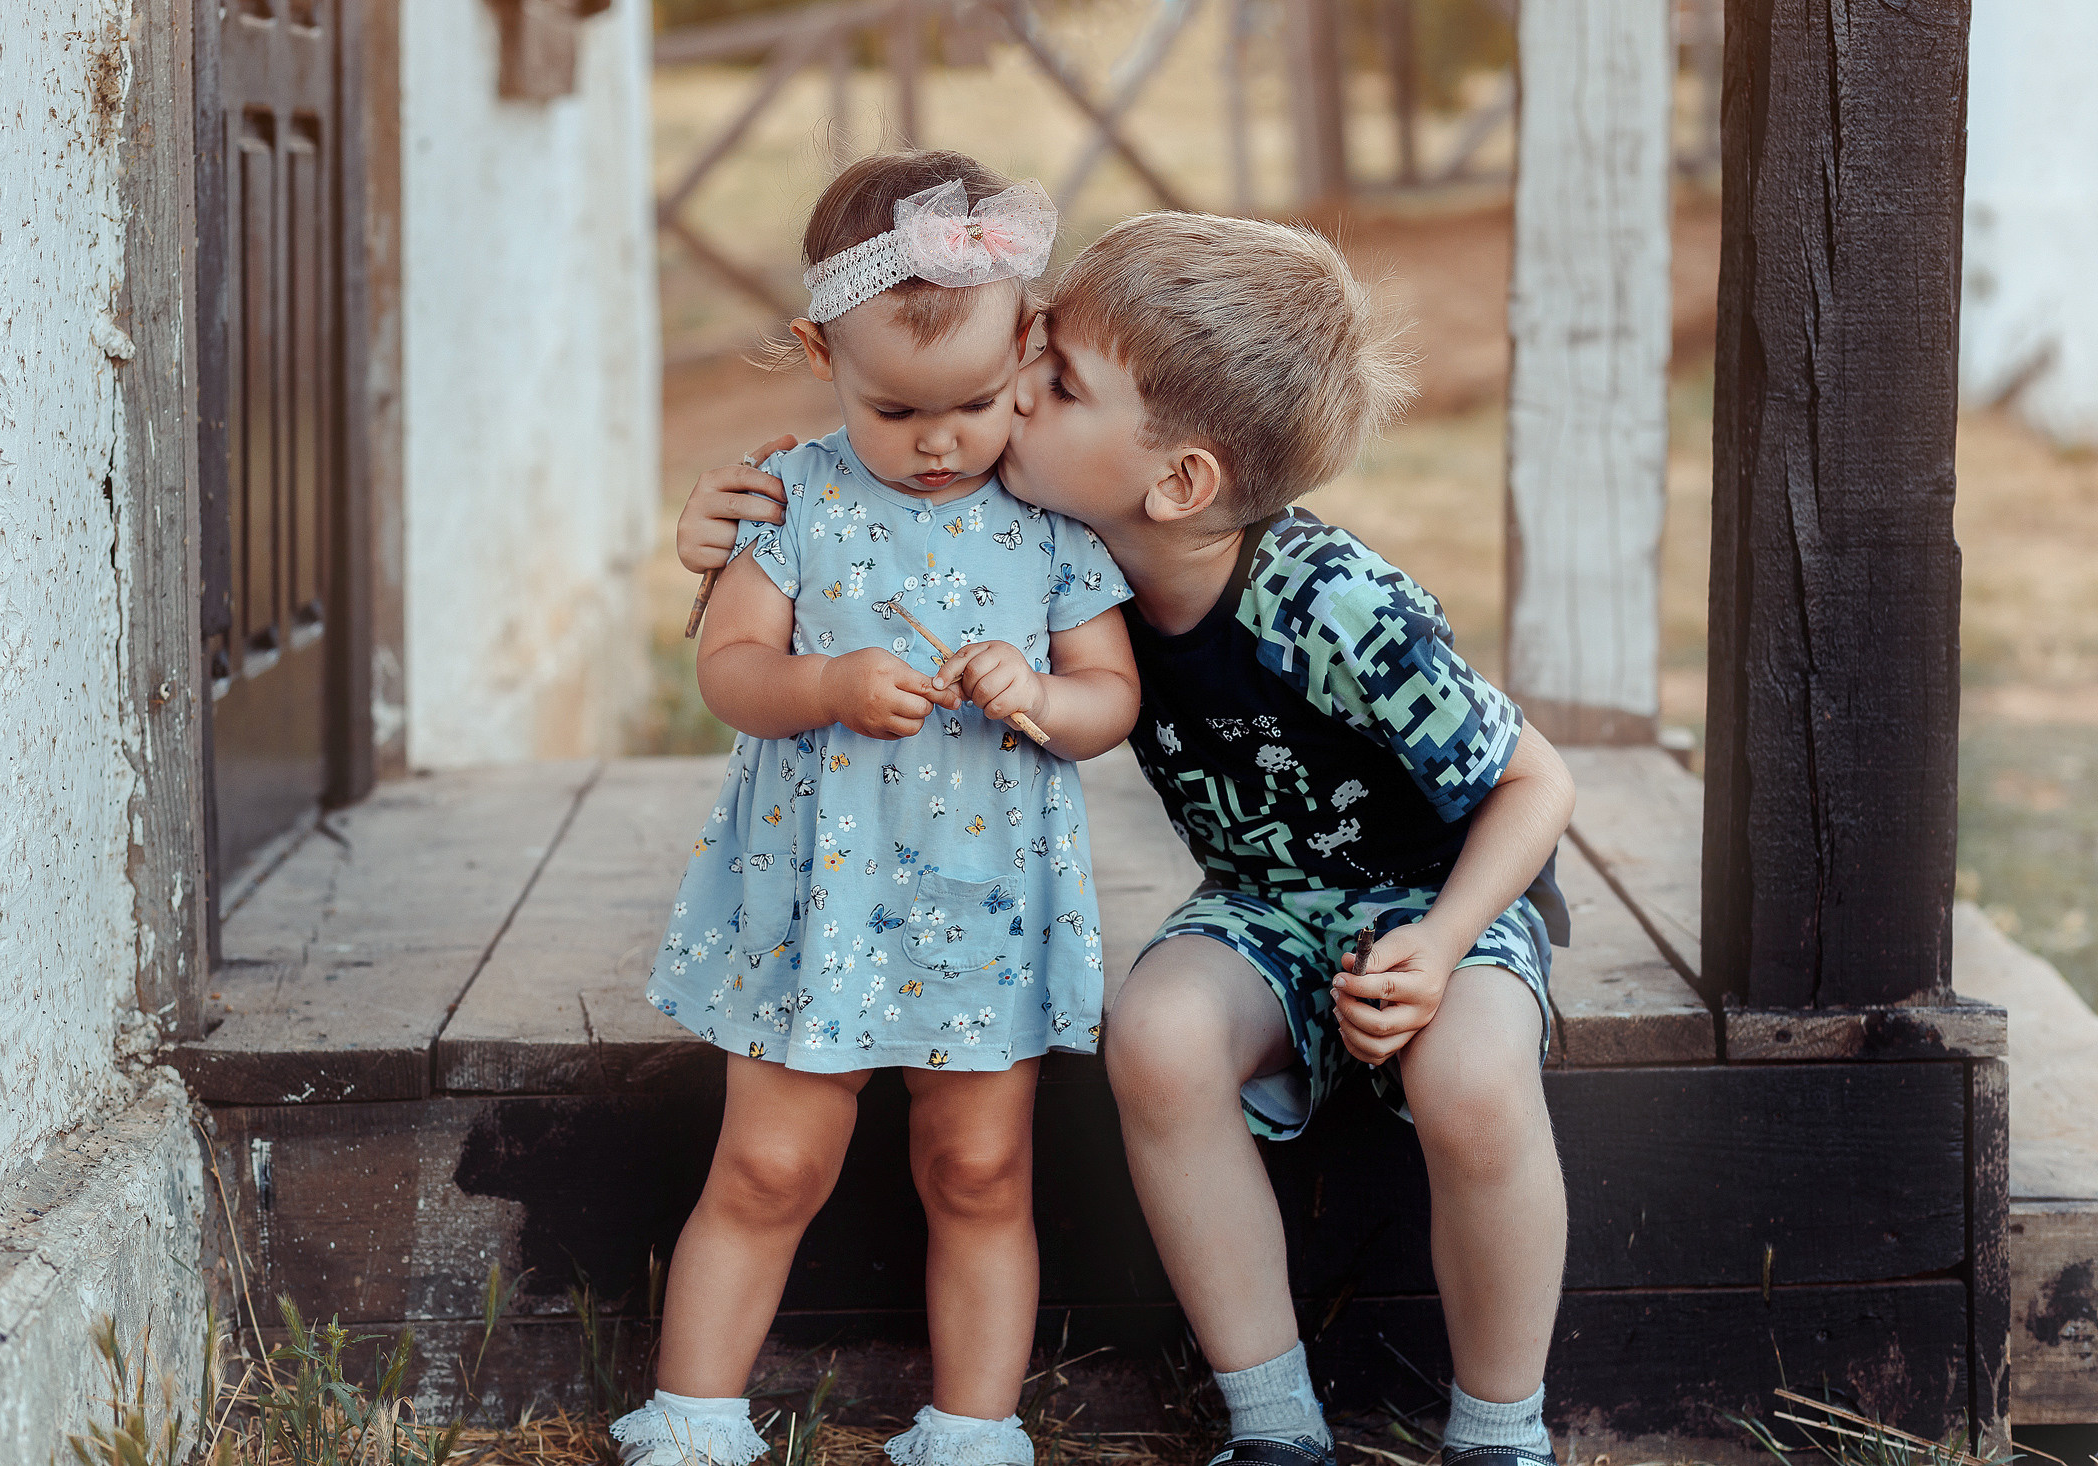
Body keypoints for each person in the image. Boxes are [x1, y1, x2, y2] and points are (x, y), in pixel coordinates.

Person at [679, 210, 1575, 1466]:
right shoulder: (1076, 536)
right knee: (1153, 1032)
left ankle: (1499, 1429)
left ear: (1178, 482)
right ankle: (1273, 1425)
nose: (1011, 402)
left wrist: (1439, 940)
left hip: (1443, 900)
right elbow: (871, 465)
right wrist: (722, 519)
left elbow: (1534, 783)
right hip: (1262, 901)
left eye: (1050, 380)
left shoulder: (1330, 601)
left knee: (1472, 1075)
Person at [617, 150, 1140, 1466]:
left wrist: (1038, 692)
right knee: (770, 1167)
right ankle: (694, 1418)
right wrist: (824, 682)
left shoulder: (1049, 518)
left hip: (983, 907)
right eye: (894, 408)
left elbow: (1111, 698)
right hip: (819, 900)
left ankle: (970, 1428)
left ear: (1027, 346)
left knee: (979, 1171)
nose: (938, 441)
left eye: (971, 402)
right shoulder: (793, 500)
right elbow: (729, 672)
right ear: (818, 351)